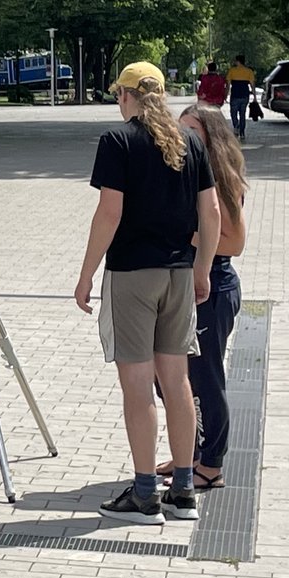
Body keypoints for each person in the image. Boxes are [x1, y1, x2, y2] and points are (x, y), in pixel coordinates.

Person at [74, 62, 220, 525]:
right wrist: (203, 269)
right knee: (177, 382)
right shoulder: (189, 141)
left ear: (127, 96)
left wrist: (86, 274)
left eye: (119, 93)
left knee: (137, 385)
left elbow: (109, 213)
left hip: (133, 273)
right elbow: (211, 211)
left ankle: (143, 494)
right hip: (178, 272)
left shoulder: (118, 141)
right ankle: (182, 489)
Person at [172, 104, 247, 492]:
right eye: (179, 130)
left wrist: (186, 237)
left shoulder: (221, 178)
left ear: (210, 136)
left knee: (206, 378)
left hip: (213, 287)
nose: (183, 138)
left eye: (191, 131)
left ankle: (212, 463)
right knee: (171, 376)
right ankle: (189, 451)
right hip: (182, 284)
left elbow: (234, 243)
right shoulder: (187, 171)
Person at [226, 55, 257, 139]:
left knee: (233, 113)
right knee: (242, 114)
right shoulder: (249, 71)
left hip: (235, 95)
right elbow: (252, 85)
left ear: (238, 61)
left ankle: (236, 126)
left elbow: (228, 84)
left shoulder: (232, 71)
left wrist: (226, 95)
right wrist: (254, 96)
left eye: (235, 61)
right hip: (244, 95)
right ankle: (242, 132)